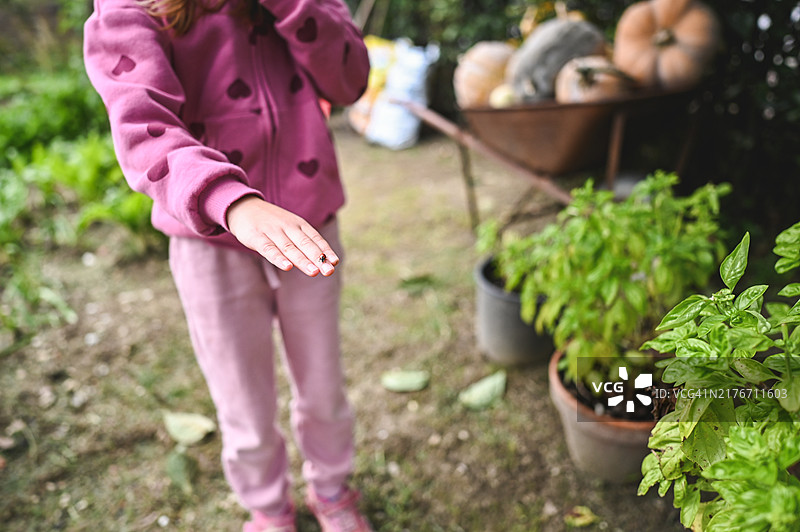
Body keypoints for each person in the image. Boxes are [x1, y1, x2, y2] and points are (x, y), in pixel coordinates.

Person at [83, 0, 372, 530]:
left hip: (308, 223)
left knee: (324, 383)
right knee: (240, 397)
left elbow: (351, 82)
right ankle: (268, 509)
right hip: (207, 241)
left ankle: (332, 491)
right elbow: (142, 125)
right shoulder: (129, 8)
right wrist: (233, 201)